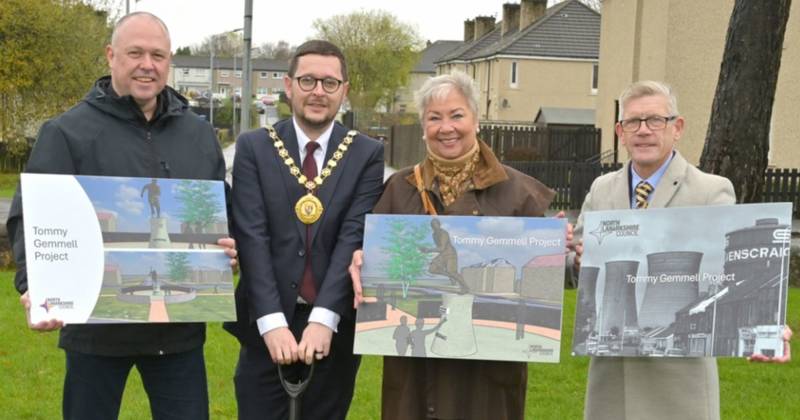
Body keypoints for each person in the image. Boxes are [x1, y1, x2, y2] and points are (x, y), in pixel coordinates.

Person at [6, 12, 237, 420]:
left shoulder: (198, 134)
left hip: (178, 336)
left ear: (169, 62)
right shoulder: (67, 132)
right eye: (135, 53)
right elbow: (31, 217)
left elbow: (222, 208)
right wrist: (34, 286)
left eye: (157, 55)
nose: (147, 65)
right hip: (94, 333)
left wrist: (228, 250)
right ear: (111, 56)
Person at [350, 71, 557, 420]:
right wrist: (362, 259)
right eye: (435, 118)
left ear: (476, 120)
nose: (446, 127)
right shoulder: (399, 188)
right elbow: (374, 255)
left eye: (456, 115)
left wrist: (556, 253)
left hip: (488, 376)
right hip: (415, 375)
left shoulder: (520, 193)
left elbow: (544, 281)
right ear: (423, 127)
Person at [223, 40, 385, 420]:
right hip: (266, 322)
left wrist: (324, 318)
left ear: (344, 90)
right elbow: (252, 236)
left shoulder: (366, 153)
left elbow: (353, 235)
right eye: (308, 80)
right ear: (288, 85)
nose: (318, 92)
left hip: (334, 326)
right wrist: (272, 323)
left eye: (330, 83)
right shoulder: (254, 147)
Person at [573, 80, 735, 420]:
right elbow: (580, 264)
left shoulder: (710, 191)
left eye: (655, 120)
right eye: (633, 121)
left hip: (679, 379)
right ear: (620, 132)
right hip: (611, 376)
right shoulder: (602, 189)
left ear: (677, 128)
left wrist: (769, 324)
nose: (644, 130)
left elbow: (728, 272)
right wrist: (574, 255)